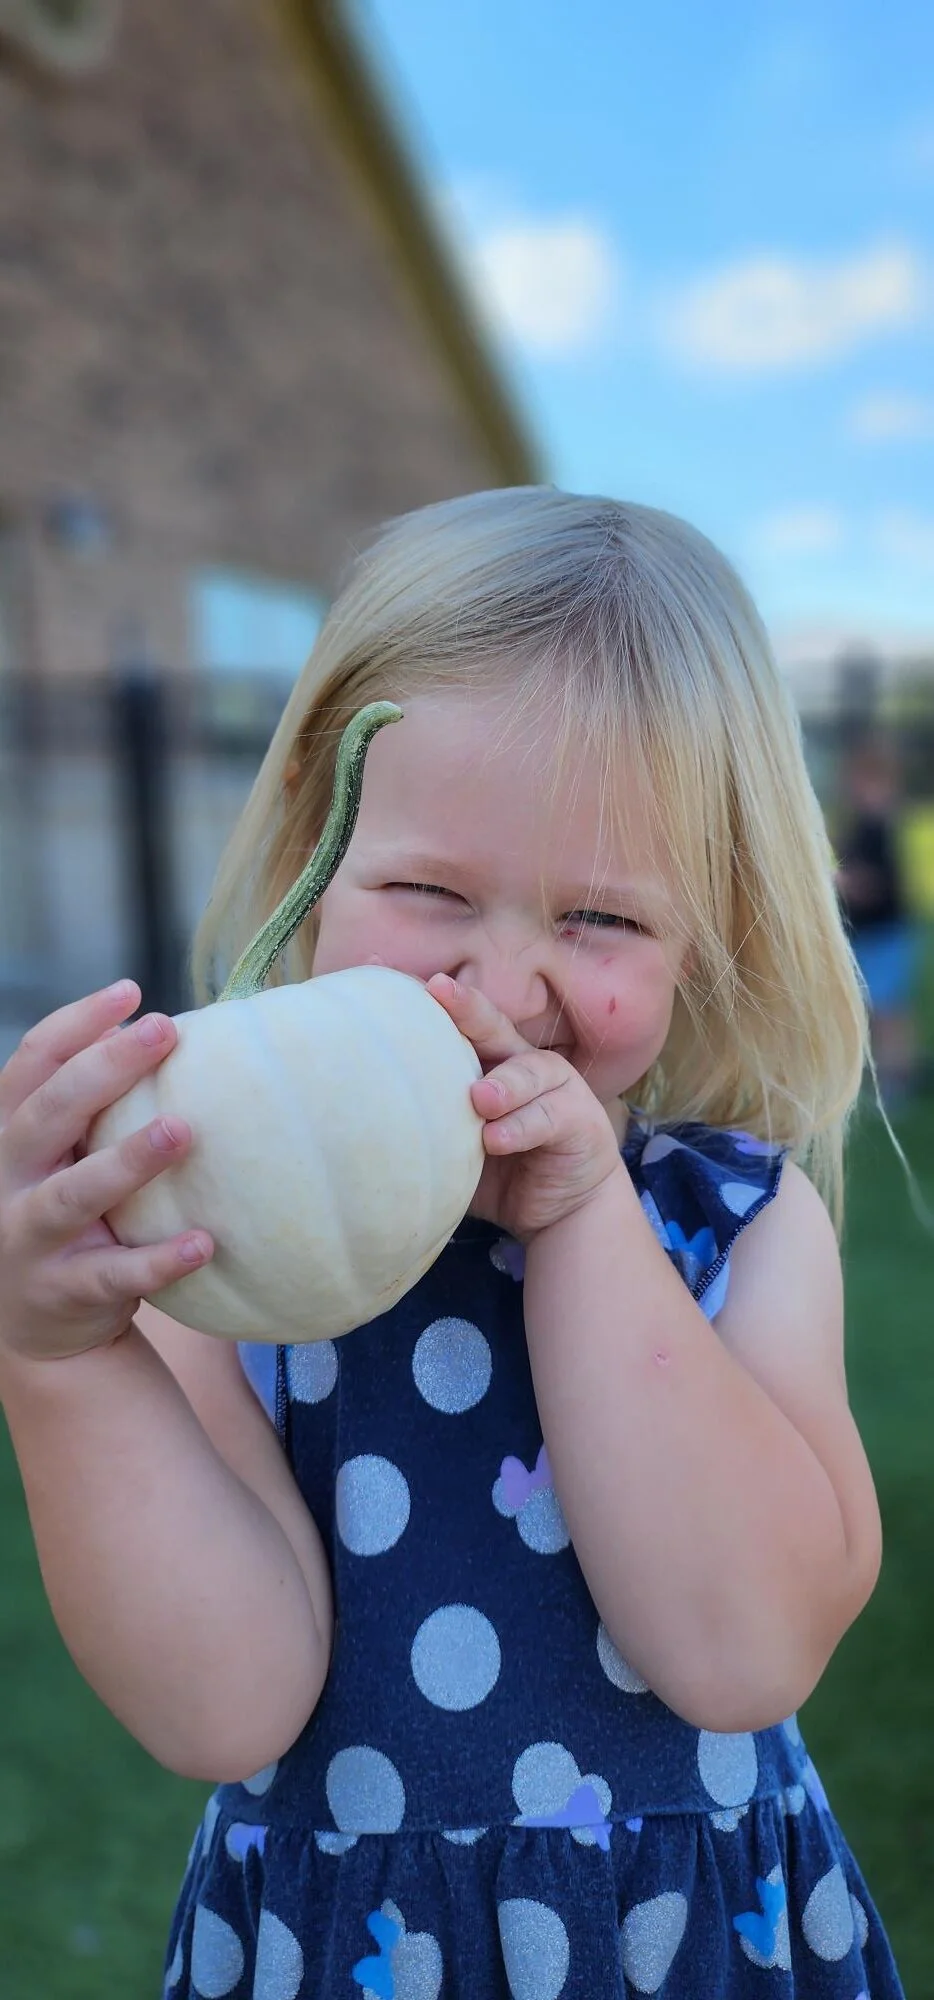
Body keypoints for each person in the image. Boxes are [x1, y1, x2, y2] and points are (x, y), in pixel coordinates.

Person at [0, 489, 905, 1998]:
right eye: (427, 893)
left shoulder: (735, 1225)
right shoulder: (206, 1243)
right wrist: (61, 1355)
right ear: (316, 849)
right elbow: (224, 1704)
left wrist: (583, 1224)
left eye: (600, 920)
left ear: (704, 932)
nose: (502, 979)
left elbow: (744, 1649)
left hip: (685, 1945)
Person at [833, 734, 921, 1114]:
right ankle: (883, 1078)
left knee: (888, 1011)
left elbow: (874, 885)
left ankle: (897, 1083)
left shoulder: (879, 829)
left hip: (885, 934)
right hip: (870, 933)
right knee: (872, 1009)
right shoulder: (862, 825)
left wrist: (837, 881)